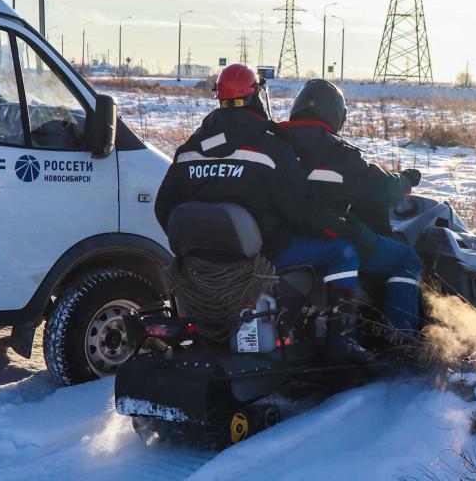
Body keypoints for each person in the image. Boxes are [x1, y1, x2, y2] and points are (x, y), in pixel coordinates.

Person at [154, 64, 372, 362]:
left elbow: (163, 208)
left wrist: (199, 250)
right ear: (256, 95)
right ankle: (342, 341)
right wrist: (340, 227)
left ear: (219, 98)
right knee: (343, 251)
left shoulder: (189, 149)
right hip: (263, 258)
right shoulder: (270, 147)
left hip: (199, 265)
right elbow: (302, 210)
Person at [278, 78, 424, 343]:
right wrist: (405, 180)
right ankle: (400, 340)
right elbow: (380, 188)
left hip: (283, 240)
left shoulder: (275, 142)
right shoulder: (335, 151)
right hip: (331, 236)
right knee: (407, 259)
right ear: (336, 114)